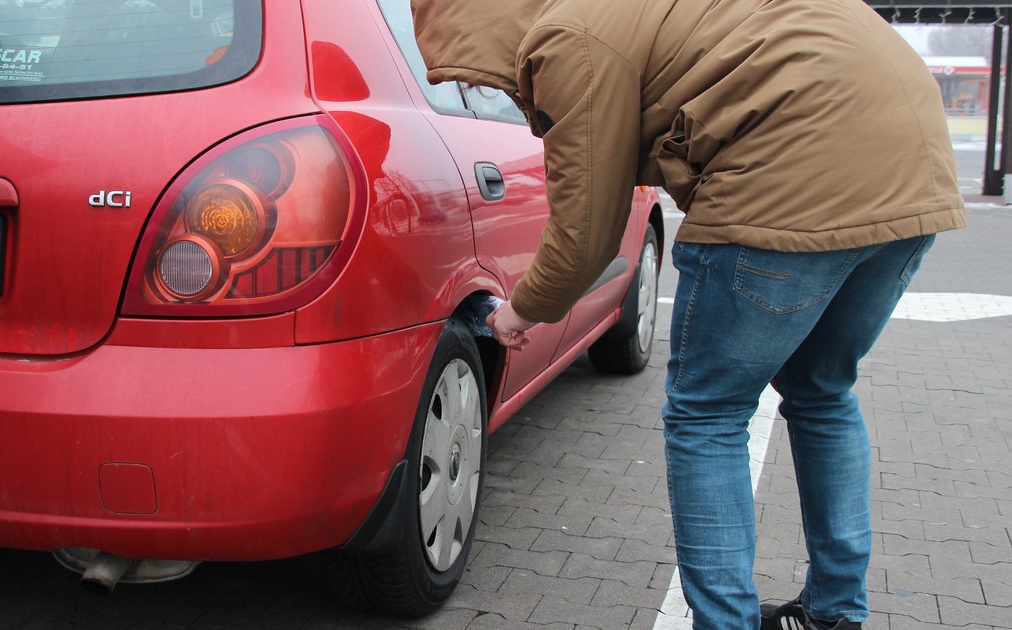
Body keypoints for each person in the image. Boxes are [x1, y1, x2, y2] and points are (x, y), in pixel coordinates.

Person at [412, 1, 966, 628]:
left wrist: (522, 311)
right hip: (915, 175)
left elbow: (586, 234)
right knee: (823, 392)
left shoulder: (566, 37)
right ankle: (837, 611)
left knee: (709, 412)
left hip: (786, 180)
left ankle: (723, 622)